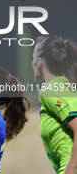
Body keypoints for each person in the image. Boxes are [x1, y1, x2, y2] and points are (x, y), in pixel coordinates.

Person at [32, 36, 77, 174]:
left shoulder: (51, 89)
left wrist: (69, 171)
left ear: (39, 61)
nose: (32, 62)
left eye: (33, 57)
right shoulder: (66, 87)